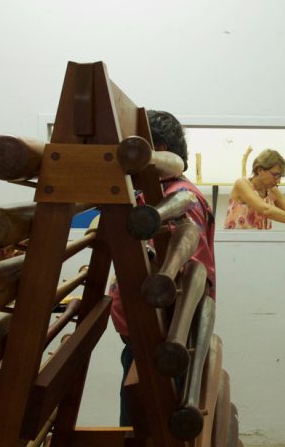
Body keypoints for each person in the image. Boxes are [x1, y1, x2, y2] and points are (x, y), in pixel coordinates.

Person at [107, 109, 216, 426]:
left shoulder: (182, 198)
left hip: (160, 334)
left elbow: (189, 274)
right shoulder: (156, 194)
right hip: (145, 333)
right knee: (141, 422)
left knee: (146, 428)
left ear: (160, 150)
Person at [224, 148, 285, 229]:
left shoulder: (273, 191)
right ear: (260, 170)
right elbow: (265, 210)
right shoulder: (242, 184)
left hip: (261, 243)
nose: (278, 181)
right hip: (235, 242)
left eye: (280, 176)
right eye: (275, 175)